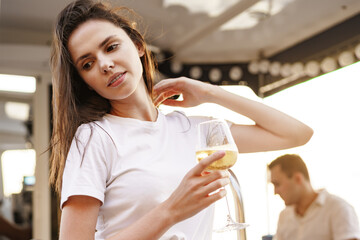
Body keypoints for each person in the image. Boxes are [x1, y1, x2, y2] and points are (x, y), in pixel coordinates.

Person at [48, 0, 313, 239]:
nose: (105, 64)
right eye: (87, 64)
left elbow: (297, 134)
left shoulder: (192, 130)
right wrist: (171, 211)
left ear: (138, 45)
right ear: (87, 83)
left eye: (111, 47)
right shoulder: (95, 138)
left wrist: (210, 92)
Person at [268, 154, 360, 240]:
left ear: (298, 178)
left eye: (277, 184)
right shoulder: (284, 216)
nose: (275, 192)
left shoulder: (338, 209)